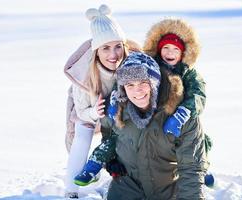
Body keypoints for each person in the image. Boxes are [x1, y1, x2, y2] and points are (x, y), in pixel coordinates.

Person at [74, 18, 213, 188]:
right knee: (121, 131)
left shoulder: (190, 74)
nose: (170, 52)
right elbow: (128, 78)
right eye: (166, 48)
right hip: (150, 112)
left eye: (175, 49)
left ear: (184, 53)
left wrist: (184, 111)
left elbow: (198, 96)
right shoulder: (150, 64)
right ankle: (98, 162)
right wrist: (116, 99)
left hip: (179, 116)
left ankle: (201, 168)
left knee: (197, 139)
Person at [87, 51, 209, 199]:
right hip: (126, 191)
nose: (136, 90)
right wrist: (111, 160)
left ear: (154, 83)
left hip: (168, 192)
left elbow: (191, 169)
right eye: (130, 84)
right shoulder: (115, 111)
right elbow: (109, 138)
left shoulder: (181, 116)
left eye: (143, 83)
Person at [63, 4, 141, 199]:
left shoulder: (131, 63)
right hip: (88, 110)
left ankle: (129, 176)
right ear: (96, 51)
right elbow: (81, 112)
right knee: (82, 135)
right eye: (105, 48)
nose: (113, 55)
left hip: (118, 110)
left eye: (117, 46)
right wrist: (94, 113)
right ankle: (71, 189)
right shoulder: (84, 73)